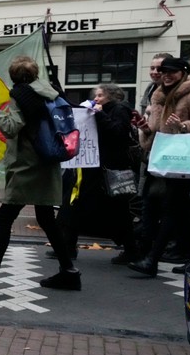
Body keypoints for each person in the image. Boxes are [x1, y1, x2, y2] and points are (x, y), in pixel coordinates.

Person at [0, 56, 81, 297]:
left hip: (27, 167)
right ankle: (69, 272)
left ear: (14, 77)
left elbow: (11, 127)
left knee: (4, 218)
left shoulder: (22, 95)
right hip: (48, 163)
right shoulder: (51, 92)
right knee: (46, 218)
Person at [129, 57, 190, 277]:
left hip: (188, 159)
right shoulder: (159, 95)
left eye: (172, 71)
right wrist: (144, 129)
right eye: (163, 71)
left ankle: (152, 260)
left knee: (171, 206)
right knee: (179, 210)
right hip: (167, 158)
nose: (166, 75)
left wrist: (184, 126)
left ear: (184, 72)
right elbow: (157, 131)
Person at [51, 84, 139, 264]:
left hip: (107, 171)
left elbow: (118, 133)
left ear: (112, 96)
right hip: (94, 168)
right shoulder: (99, 110)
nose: (96, 99)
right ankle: (67, 246)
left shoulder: (119, 110)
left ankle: (131, 249)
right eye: (95, 95)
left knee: (117, 211)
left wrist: (99, 114)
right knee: (73, 204)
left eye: (100, 95)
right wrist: (60, 94)